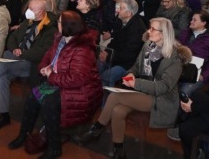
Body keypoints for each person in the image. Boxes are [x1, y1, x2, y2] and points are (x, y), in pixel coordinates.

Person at [75, 17, 189, 159]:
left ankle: (96, 130)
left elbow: (163, 87)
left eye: (153, 29)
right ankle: (119, 151)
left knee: (114, 96)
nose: (149, 31)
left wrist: (136, 83)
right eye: (150, 27)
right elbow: (136, 67)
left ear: (164, 33)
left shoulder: (175, 57)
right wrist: (130, 75)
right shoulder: (148, 45)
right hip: (142, 91)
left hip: (161, 99)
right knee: (117, 110)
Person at [8, 11, 103, 159]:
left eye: (59, 22)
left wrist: (51, 75)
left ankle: (54, 148)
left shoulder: (83, 48)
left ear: (68, 26)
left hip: (80, 91)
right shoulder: (60, 39)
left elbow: (77, 79)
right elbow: (46, 58)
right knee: (33, 96)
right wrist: (44, 68)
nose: (56, 24)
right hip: (59, 82)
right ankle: (23, 135)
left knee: (49, 102)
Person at [0, 0, 57, 132]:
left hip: (31, 63)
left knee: (3, 67)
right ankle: (4, 115)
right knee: (3, 75)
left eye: (31, 9)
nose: (28, 11)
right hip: (15, 59)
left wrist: (23, 53)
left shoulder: (50, 28)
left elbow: (42, 51)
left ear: (40, 11)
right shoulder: (27, 22)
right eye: (28, 7)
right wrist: (15, 49)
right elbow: (12, 37)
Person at [97, 0, 146, 87]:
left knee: (108, 76)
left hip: (129, 64)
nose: (118, 10)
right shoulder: (121, 20)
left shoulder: (137, 28)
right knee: (97, 66)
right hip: (116, 57)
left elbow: (130, 54)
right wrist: (106, 52)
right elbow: (115, 40)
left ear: (129, 13)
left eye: (122, 8)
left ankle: (108, 99)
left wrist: (108, 57)